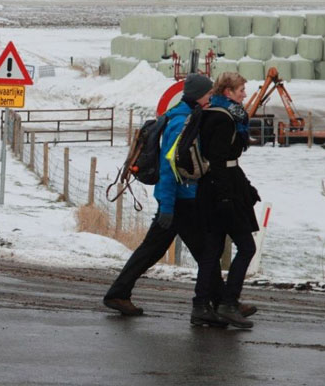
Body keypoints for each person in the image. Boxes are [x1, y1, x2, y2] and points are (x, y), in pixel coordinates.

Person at [103, 74, 228, 319]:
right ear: (197, 96)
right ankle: (223, 302)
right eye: (208, 94)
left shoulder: (185, 116)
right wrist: (168, 207)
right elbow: (169, 168)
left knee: (155, 250)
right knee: (203, 252)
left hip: (181, 198)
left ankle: (118, 294)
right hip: (179, 200)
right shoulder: (181, 122)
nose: (210, 98)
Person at [192, 72, 260, 329]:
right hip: (223, 191)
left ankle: (201, 305)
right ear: (228, 92)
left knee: (212, 250)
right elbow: (220, 160)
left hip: (211, 190)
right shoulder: (224, 119)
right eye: (241, 89)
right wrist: (226, 196)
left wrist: (245, 187)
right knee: (247, 247)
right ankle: (228, 304)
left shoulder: (211, 113)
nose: (245, 94)